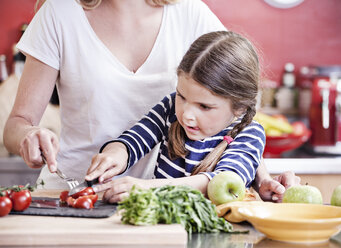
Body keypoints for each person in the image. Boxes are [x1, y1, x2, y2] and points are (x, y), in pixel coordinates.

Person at [3, 0, 299, 201]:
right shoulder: (60, 12)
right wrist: (29, 135)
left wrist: (259, 177)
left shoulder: (189, 11)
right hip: (72, 194)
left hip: (160, 204)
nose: (187, 111)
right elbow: (17, 125)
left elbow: (233, 106)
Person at [86, 31, 265, 202]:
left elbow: (220, 181)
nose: (187, 115)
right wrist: (116, 153)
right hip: (162, 228)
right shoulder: (171, 108)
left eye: (204, 106)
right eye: (182, 96)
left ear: (240, 107)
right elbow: (137, 137)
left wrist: (149, 188)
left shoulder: (250, 134)